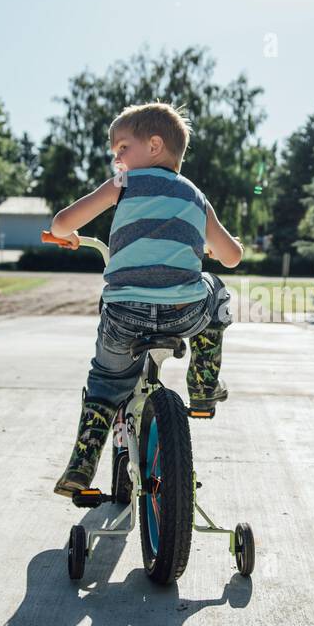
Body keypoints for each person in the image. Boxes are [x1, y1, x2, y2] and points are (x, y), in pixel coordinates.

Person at [50, 102, 243, 497]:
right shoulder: (195, 195)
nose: (116, 158)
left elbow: (62, 222)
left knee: (105, 381)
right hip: (183, 312)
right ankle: (204, 383)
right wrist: (215, 247)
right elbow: (232, 255)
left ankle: (82, 465)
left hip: (125, 315)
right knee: (217, 289)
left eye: (122, 148)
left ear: (154, 145)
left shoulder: (123, 184)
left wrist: (67, 235)